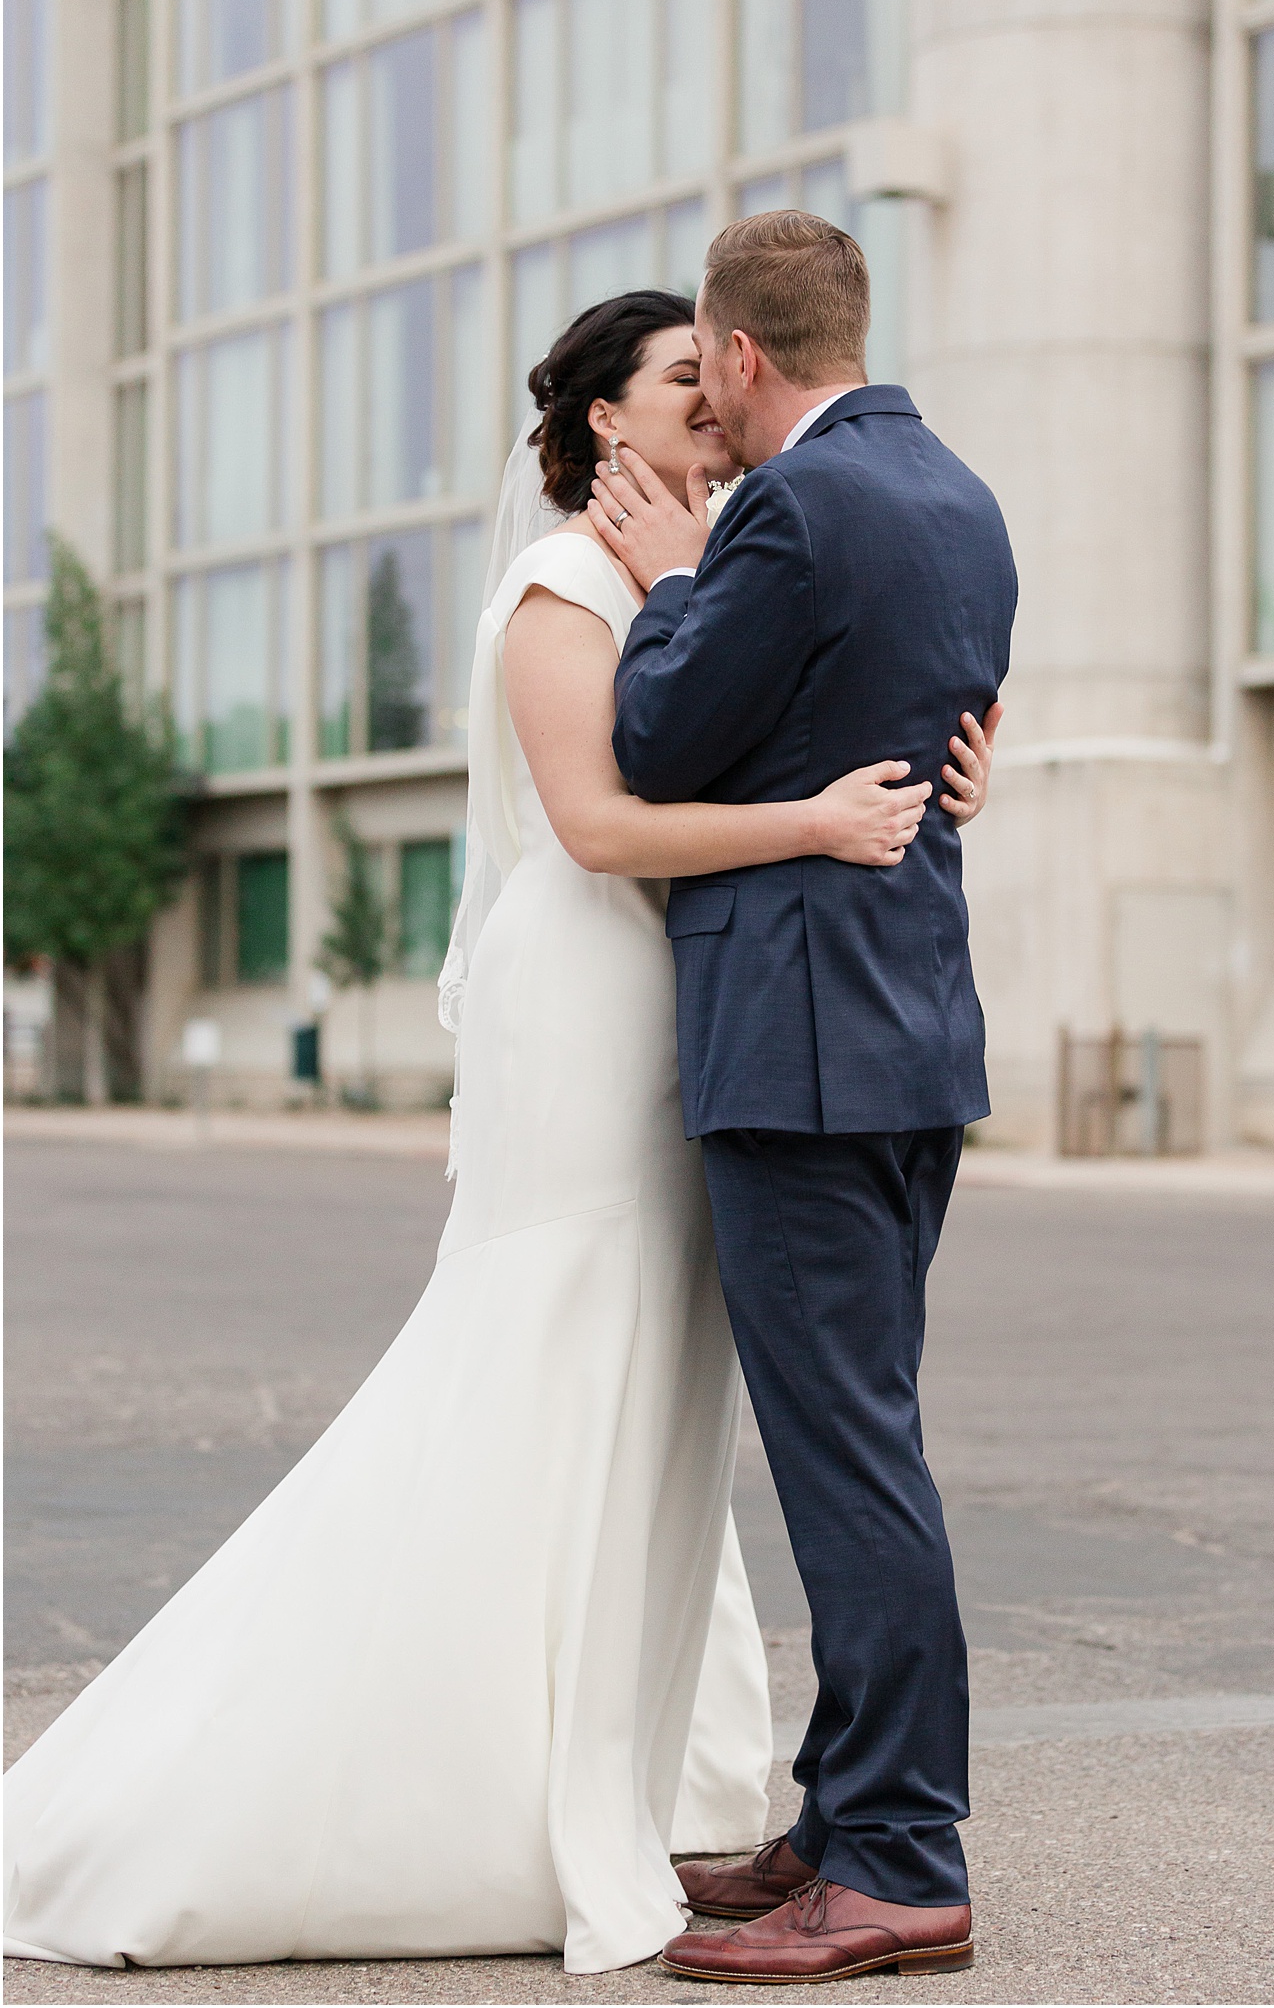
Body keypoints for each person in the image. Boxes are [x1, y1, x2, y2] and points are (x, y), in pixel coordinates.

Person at [3, 288, 999, 1977]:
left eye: (714, 368)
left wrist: (929, 776)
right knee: (553, 1351)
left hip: (705, 1001)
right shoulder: (560, 588)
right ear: (604, 420)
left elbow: (840, 707)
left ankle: (675, 1765)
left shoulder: (723, 560)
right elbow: (603, 822)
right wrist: (823, 820)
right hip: (602, 1002)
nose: (710, 395)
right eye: (679, 376)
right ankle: (434, 1766)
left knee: (656, 1384)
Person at [587, 215, 1019, 1985]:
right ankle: (846, 1812)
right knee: (869, 1429)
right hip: (911, 1028)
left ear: (742, 355)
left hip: (803, 1042)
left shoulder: (785, 508)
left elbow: (662, 736)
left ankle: (903, 1856)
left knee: (850, 1453)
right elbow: (941, 730)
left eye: (709, 367)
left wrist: (681, 580)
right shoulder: (961, 493)